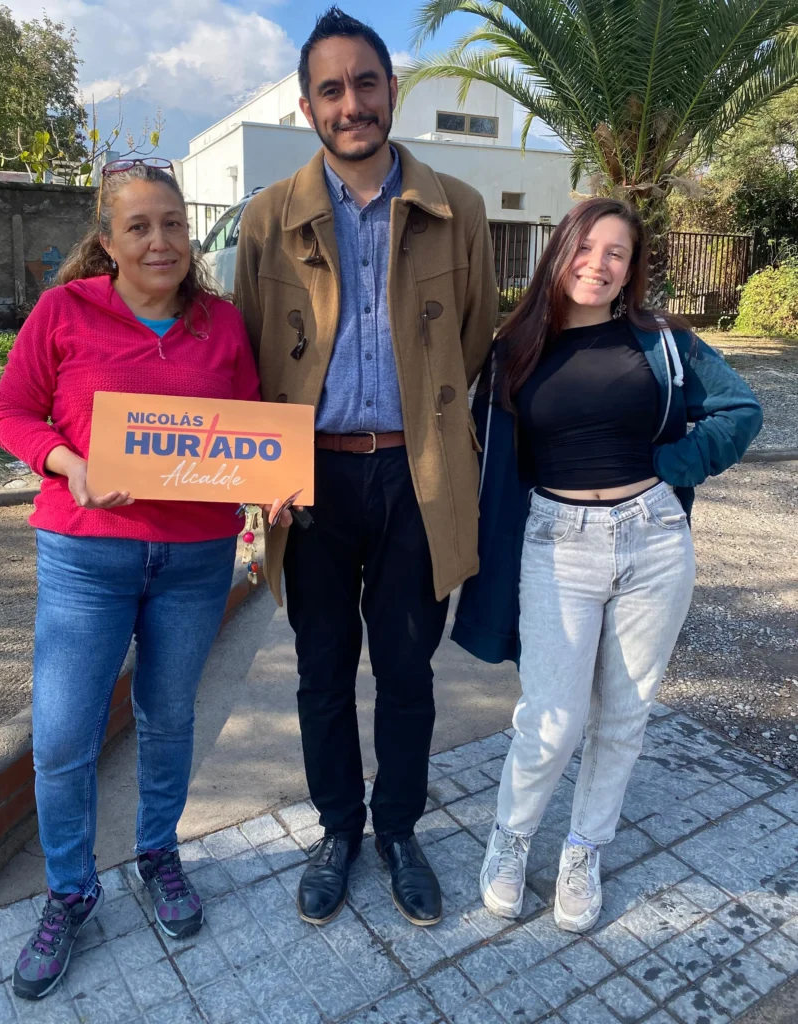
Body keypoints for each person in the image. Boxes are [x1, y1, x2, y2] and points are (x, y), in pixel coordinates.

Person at [235, 7, 498, 928]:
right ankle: (337, 829)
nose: (352, 104)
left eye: (366, 83)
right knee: (319, 670)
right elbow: (249, 351)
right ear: (308, 106)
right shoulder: (269, 218)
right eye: (331, 89)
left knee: (408, 673)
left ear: (392, 89)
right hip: (309, 481)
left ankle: (398, 830)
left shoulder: (456, 209)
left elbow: (471, 342)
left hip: (415, 478)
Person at [452, 197, 763, 933]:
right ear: (559, 253)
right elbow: (479, 454)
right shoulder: (513, 348)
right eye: (585, 247)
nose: (597, 263)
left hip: (653, 540)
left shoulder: (660, 342)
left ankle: (583, 848)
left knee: (623, 717)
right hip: (556, 543)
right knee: (551, 720)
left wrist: (675, 466)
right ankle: (511, 837)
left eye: (615, 253)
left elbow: (740, 408)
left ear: (631, 269)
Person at [0, 160, 261, 1000]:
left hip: (195, 560)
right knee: (65, 736)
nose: (159, 240)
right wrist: (69, 463)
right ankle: (70, 894)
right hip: (87, 558)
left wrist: (270, 484)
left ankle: (158, 855)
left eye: (172, 223)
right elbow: (10, 414)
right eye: (138, 226)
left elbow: (248, 433)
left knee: (167, 716)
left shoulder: (222, 324)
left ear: (190, 232)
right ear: (105, 241)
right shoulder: (64, 311)